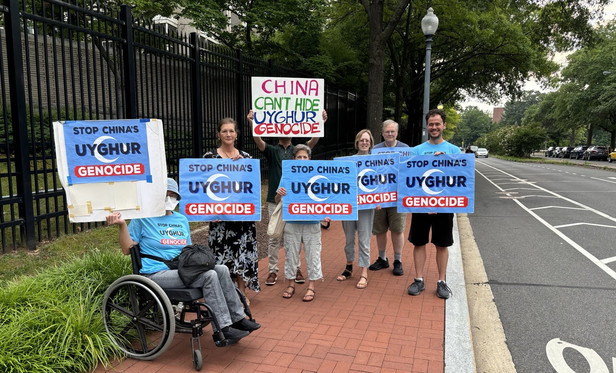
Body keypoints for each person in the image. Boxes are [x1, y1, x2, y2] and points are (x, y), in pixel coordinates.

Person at [106, 178, 260, 344]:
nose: (168, 199)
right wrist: (122, 226)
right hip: (155, 273)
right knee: (209, 276)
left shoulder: (181, 220)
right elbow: (126, 249)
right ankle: (222, 328)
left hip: (180, 269)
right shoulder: (143, 219)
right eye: (165, 195)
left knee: (221, 269)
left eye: (172, 195)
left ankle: (237, 318)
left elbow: (187, 251)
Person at [247, 110, 328, 286]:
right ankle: (272, 270)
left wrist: (320, 122)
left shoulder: (298, 150)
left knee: (294, 236)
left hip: (298, 200)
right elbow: (258, 141)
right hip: (274, 199)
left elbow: (313, 141)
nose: (285, 130)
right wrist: (253, 123)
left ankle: (296, 268)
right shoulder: (272, 150)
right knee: (275, 237)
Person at [203, 118, 260, 302]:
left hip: (242, 219)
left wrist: (243, 166)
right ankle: (225, 294)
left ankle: (242, 295)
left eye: (231, 131)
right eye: (224, 131)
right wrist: (209, 212)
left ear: (237, 134)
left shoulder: (246, 158)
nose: (228, 134)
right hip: (220, 219)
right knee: (222, 257)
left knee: (241, 255)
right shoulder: (209, 158)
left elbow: (251, 187)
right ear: (218, 134)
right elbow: (202, 187)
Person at [407, 109, 461, 299]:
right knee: (419, 242)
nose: (434, 127)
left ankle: (441, 282)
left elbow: (460, 181)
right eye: (431, 124)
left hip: (445, 206)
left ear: (444, 125)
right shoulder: (417, 151)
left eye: (437, 124)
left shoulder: (454, 151)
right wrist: (425, 203)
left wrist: (447, 161)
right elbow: (410, 181)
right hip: (421, 206)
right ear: (427, 126)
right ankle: (418, 279)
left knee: (442, 244)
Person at [275, 144, 330, 302]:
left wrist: (325, 214)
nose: (302, 159)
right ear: (293, 159)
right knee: (291, 254)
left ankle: (311, 285)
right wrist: (279, 194)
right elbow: (277, 199)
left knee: (313, 254)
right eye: (299, 157)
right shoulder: (287, 176)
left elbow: (325, 196)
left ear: (309, 159)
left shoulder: (316, 176)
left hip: (312, 221)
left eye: (305, 157)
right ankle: (291, 284)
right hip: (292, 221)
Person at [338, 129, 380, 289]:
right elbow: (339, 182)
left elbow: (382, 182)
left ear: (371, 143)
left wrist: (378, 199)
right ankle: (349, 267)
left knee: (364, 239)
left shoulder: (376, 161)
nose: (364, 143)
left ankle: (364, 272)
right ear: (357, 142)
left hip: (367, 206)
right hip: (349, 205)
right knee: (349, 239)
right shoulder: (348, 161)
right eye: (362, 140)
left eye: (367, 140)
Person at [369, 119, 410, 276]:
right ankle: (382, 258)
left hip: (398, 198)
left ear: (397, 133)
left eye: (392, 131)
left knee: (397, 229)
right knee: (380, 230)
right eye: (387, 131)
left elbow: (409, 172)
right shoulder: (375, 150)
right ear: (382, 133)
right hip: (379, 197)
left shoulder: (405, 149)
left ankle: (397, 260)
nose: (390, 134)